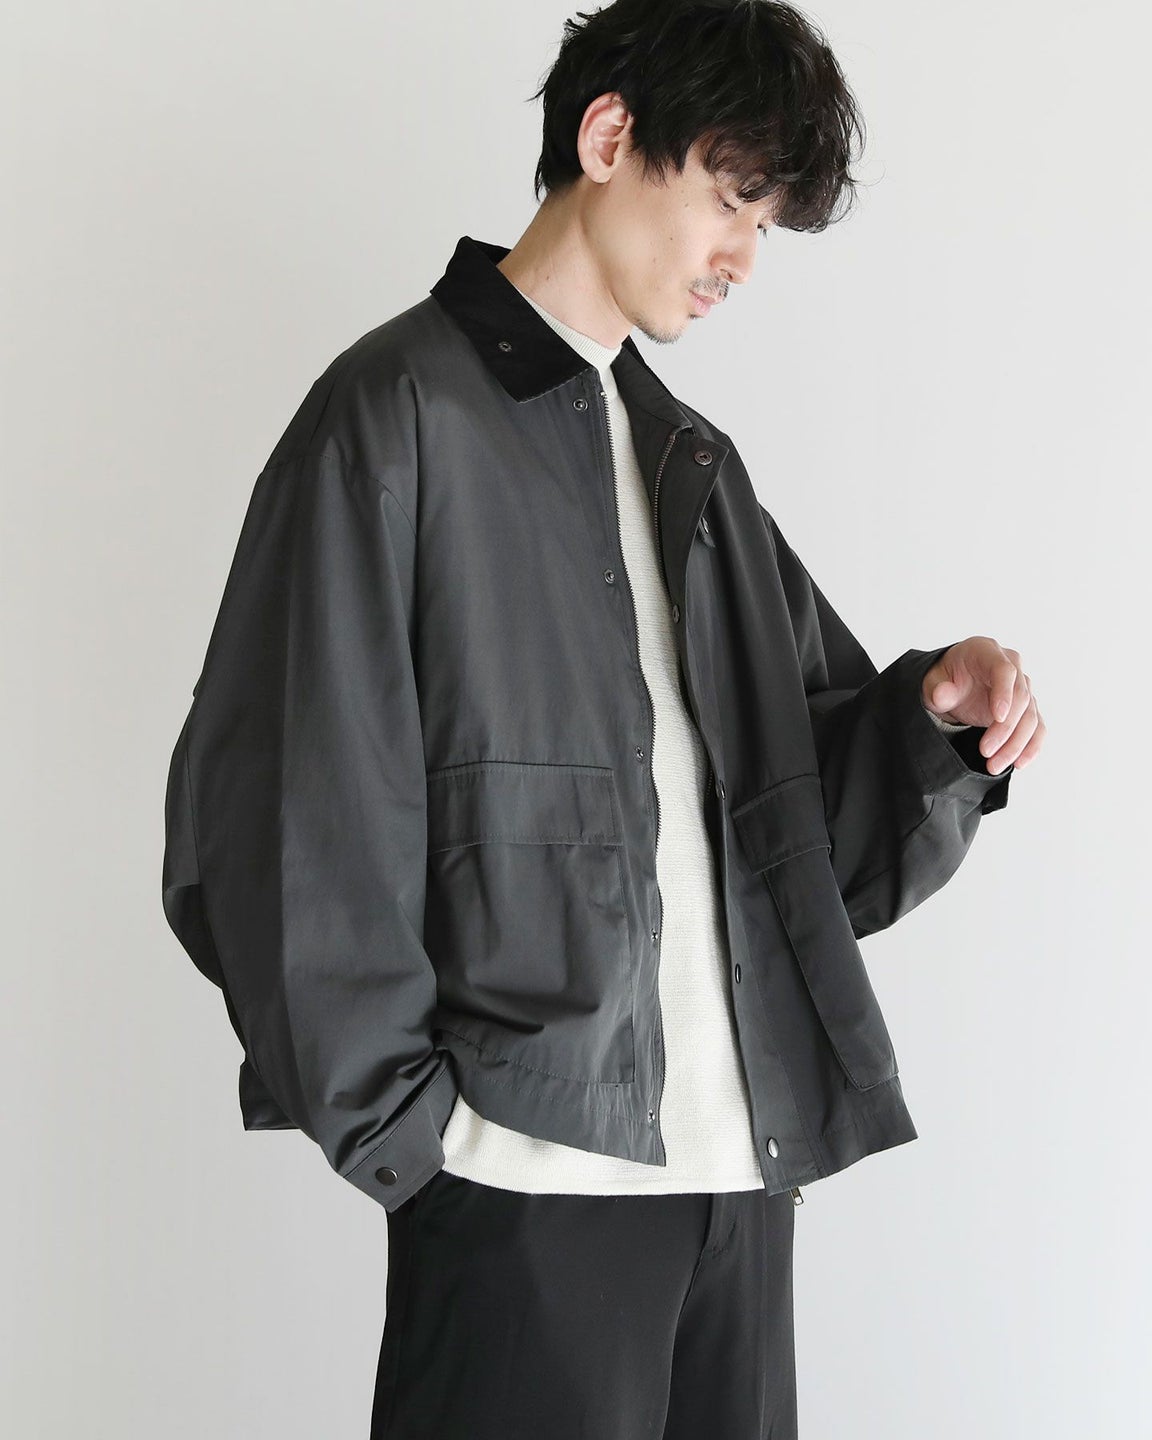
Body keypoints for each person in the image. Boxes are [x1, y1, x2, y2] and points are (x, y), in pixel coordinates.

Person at [161, 2, 1044, 1436]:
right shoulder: (393, 418)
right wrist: (419, 1139)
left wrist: (931, 720)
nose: (743, 256)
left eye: (766, 221)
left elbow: (802, 843)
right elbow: (283, 809)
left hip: (738, 1186)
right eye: (731, 198)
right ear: (610, 135)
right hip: (522, 1191)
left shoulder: (691, 461)